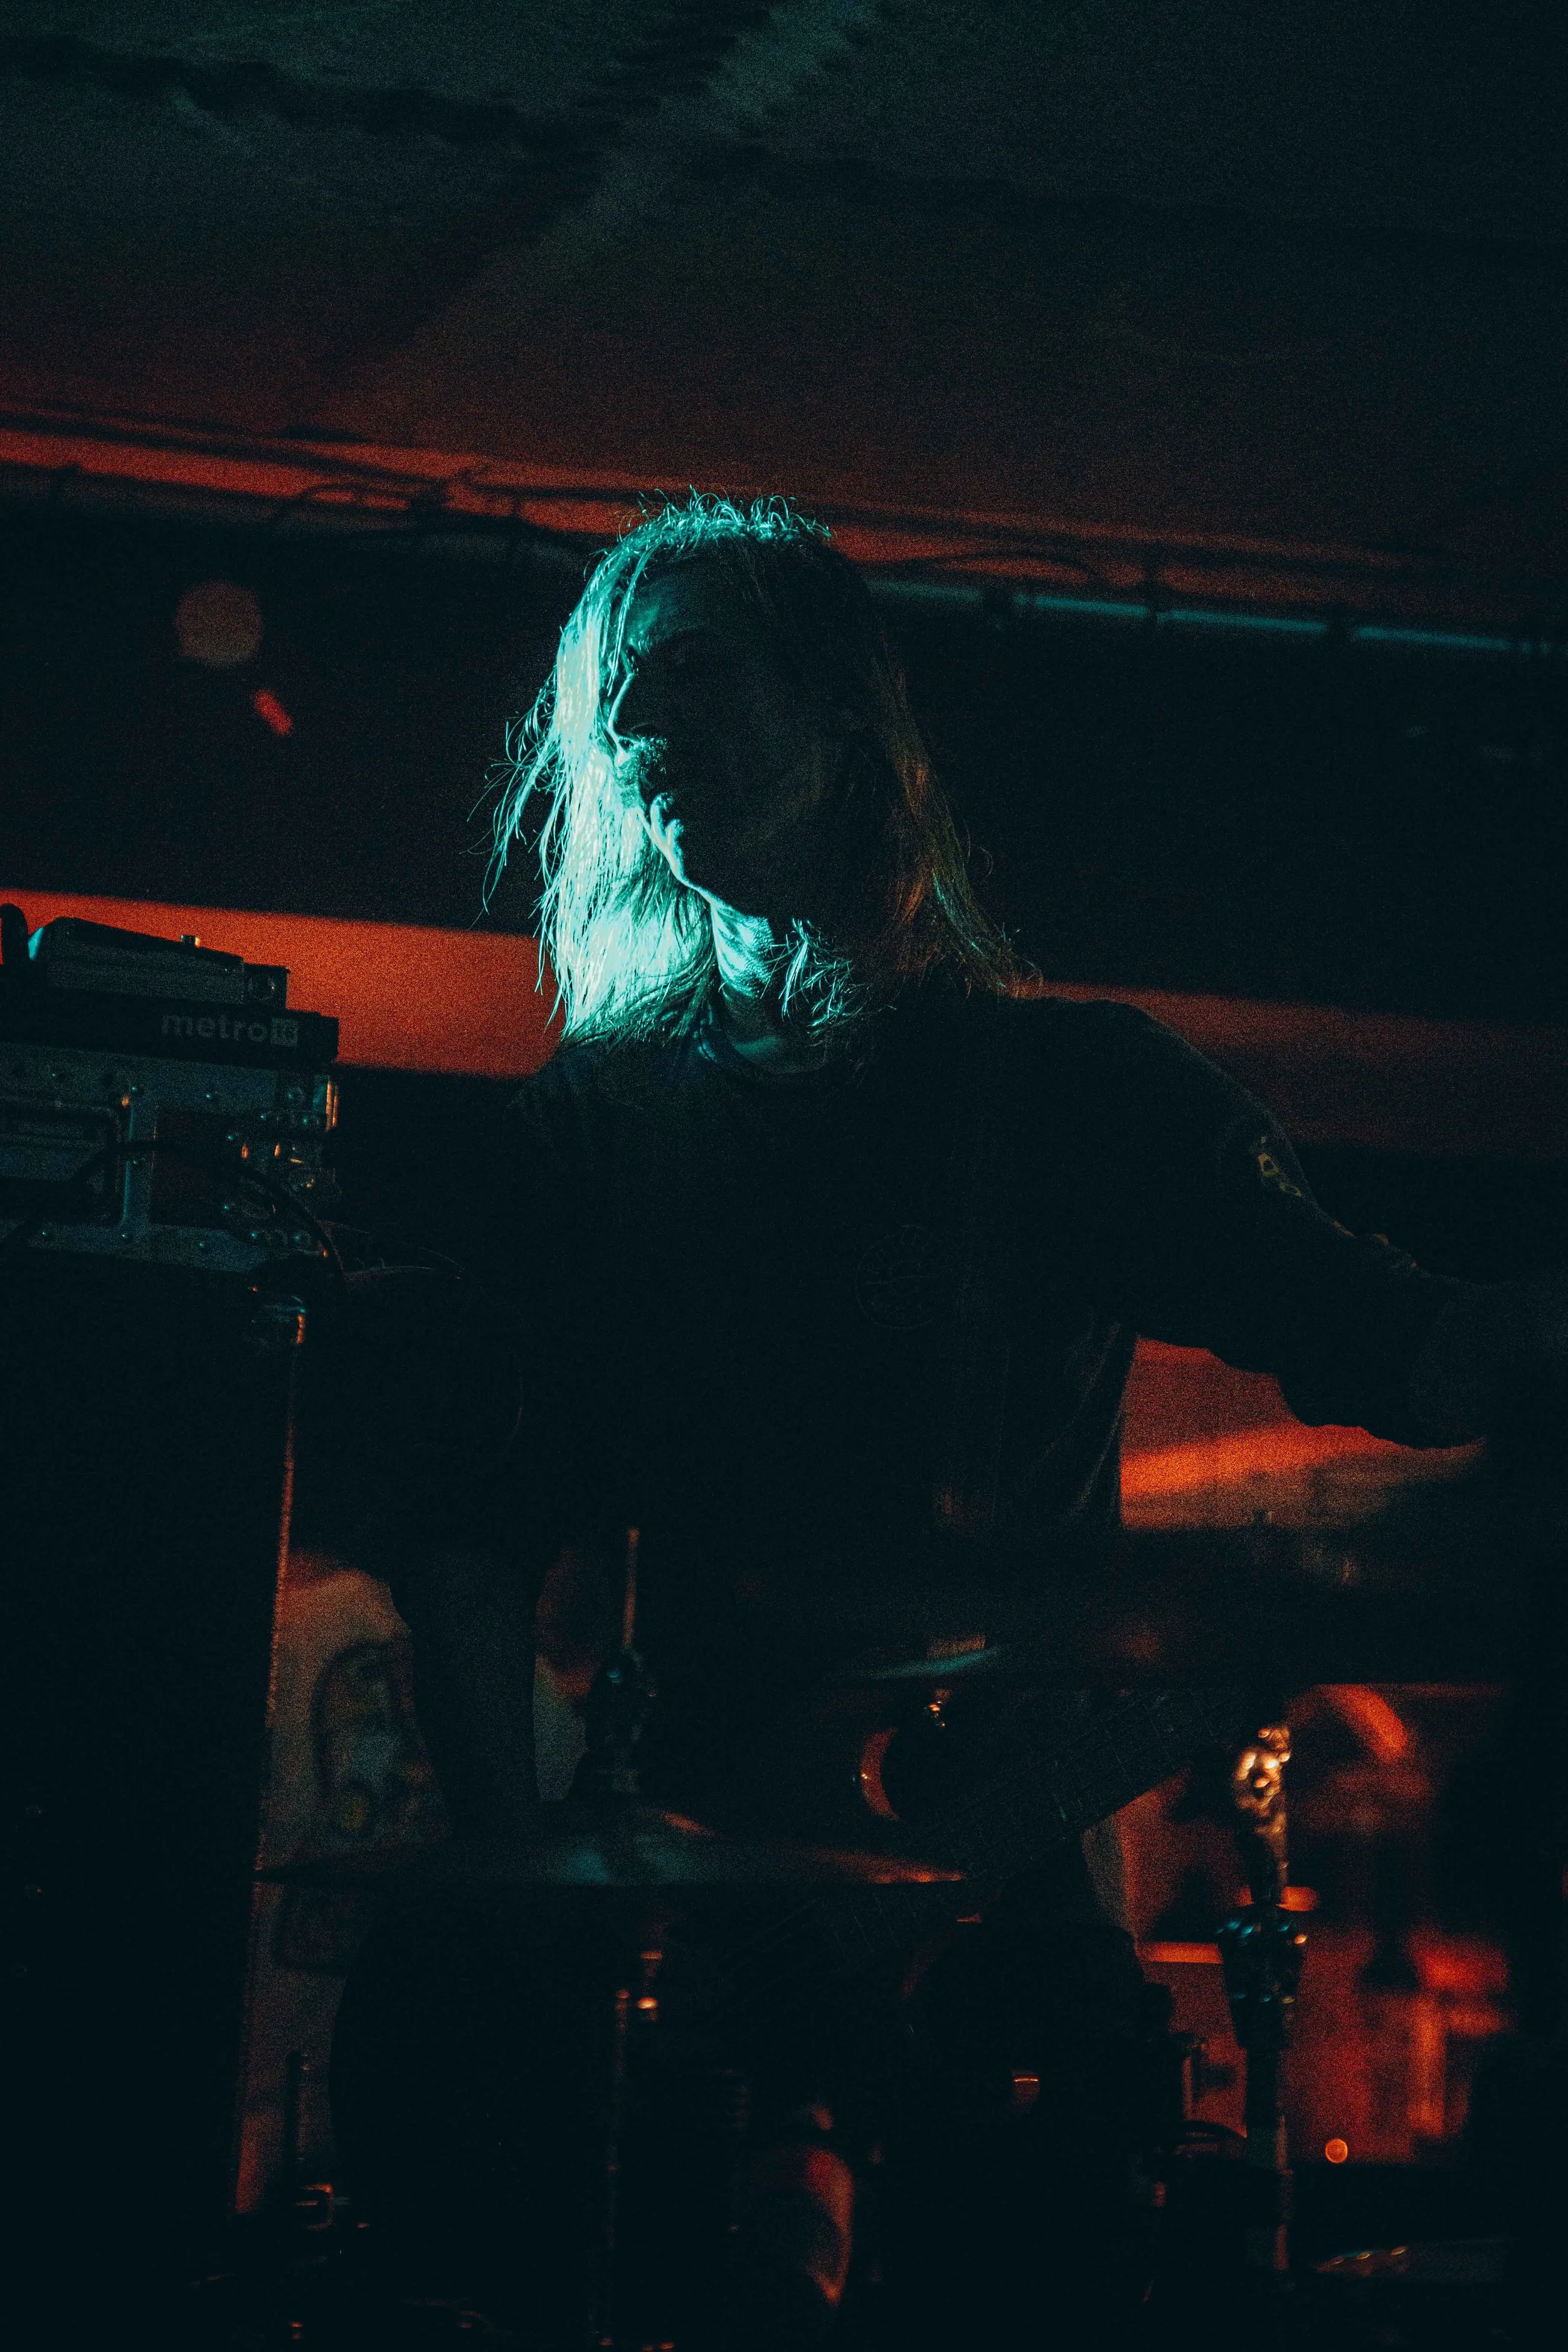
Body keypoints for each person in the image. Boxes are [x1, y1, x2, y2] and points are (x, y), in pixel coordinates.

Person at [329, 493, 1562, 2345]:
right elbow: (469, 1539)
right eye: (615, 701)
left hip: (982, 1925)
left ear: (839, 718)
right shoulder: (583, 1132)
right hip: (659, 1915)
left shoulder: (1072, 1097)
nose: (637, 733)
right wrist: (524, 1907)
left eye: (684, 680)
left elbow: (1388, 1339)